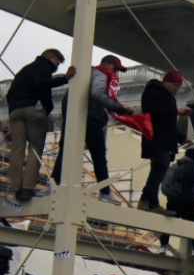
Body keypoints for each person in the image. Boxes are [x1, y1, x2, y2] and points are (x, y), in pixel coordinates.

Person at [51, 55, 136, 204]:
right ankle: (104, 192)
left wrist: (68, 116)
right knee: (99, 156)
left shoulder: (85, 74)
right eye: (115, 69)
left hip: (74, 116)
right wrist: (119, 107)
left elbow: (67, 98)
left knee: (65, 150)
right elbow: (97, 94)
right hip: (91, 118)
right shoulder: (101, 74)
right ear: (106, 64)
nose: (116, 73)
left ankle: (53, 184)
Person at [6, 49, 76, 200]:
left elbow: (9, 94)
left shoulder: (24, 70)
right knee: (35, 150)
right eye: (56, 64)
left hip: (15, 111)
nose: (55, 68)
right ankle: (27, 188)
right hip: (34, 110)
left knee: (17, 149)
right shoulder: (43, 66)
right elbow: (42, 83)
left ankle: (16, 187)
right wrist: (65, 78)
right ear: (50, 58)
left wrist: (14, 108)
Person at [138, 71, 190, 215]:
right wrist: (176, 111)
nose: (177, 89)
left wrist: (182, 138)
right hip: (156, 138)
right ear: (166, 82)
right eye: (175, 85)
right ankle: (146, 199)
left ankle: (152, 202)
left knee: (160, 170)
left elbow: (169, 123)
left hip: (163, 140)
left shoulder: (166, 97)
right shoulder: (153, 91)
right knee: (160, 167)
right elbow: (153, 111)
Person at [158, 149, 194, 255]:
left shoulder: (174, 166)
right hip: (187, 202)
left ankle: (163, 247)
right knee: (193, 226)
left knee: (169, 225)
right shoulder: (192, 167)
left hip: (172, 201)